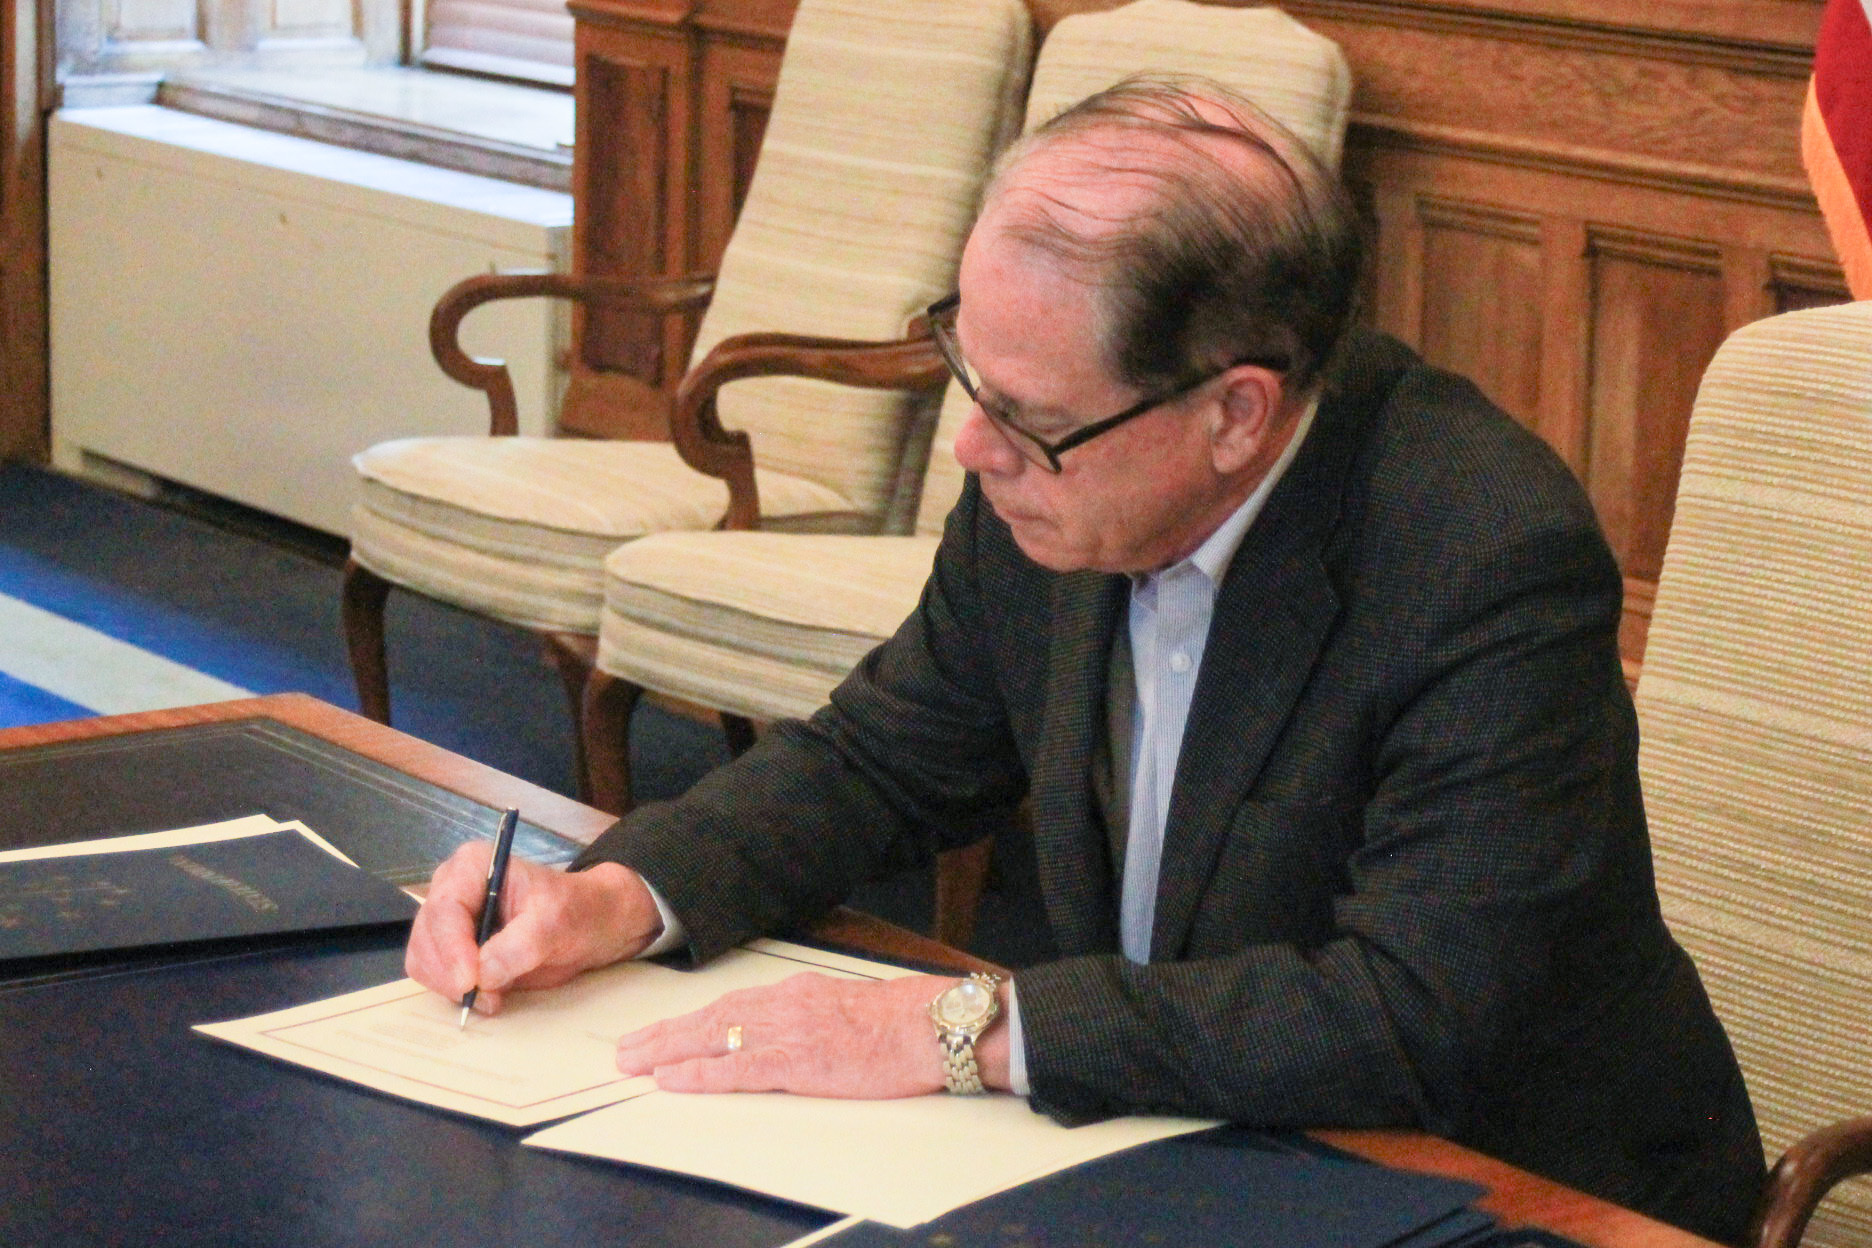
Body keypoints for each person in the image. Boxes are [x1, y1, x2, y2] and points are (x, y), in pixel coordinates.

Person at [406, 76, 1764, 1241]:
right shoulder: (1052, 468)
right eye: (969, 376)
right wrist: (621, 895)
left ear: (1237, 412)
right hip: (1187, 1148)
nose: (972, 447)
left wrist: (960, 1029)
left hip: (1503, 1192)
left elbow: (1409, 1014)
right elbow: (878, 760)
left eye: (1030, 416)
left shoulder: (1478, 550)